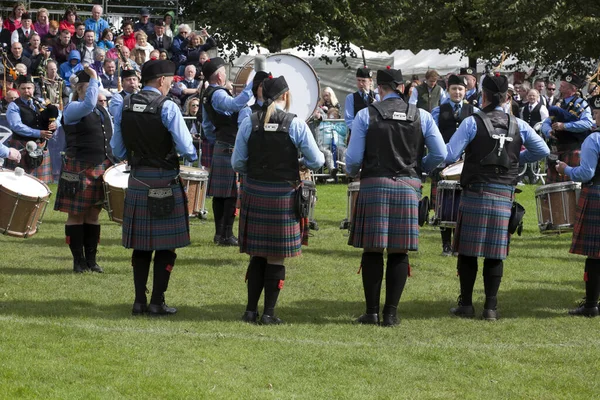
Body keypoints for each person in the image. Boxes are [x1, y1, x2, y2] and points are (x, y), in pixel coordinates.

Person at [345, 67, 447, 327]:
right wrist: (420, 166)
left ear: (380, 88)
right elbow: (441, 153)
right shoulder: (421, 115)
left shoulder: (364, 115)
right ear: (401, 87)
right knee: (399, 251)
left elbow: (354, 159)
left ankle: (371, 312)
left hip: (374, 183)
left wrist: (351, 170)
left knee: (373, 249)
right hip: (407, 184)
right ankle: (390, 314)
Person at [445, 74, 550, 321]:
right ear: (506, 98)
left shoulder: (472, 122)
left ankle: (466, 304)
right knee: (496, 252)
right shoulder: (519, 124)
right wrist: (514, 161)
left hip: (476, 191)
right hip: (504, 194)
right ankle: (490, 308)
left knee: (468, 252)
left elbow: (450, 154)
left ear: (484, 95)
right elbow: (542, 150)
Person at [232, 75, 324, 324]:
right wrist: (299, 162)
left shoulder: (248, 122)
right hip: (284, 195)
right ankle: (269, 313)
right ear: (286, 96)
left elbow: (237, 162)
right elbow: (318, 161)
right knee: (276, 256)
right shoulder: (295, 124)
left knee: (257, 254)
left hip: (255, 192)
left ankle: (250, 311)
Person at [111, 59, 197, 316]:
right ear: (161, 80)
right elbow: (186, 148)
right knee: (166, 245)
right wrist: (190, 153)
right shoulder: (167, 107)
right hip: (165, 178)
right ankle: (157, 301)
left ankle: (139, 301)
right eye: (170, 79)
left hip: (138, 179)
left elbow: (117, 149)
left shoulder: (124, 106)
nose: (171, 83)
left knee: (141, 245)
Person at [54, 67, 114, 273]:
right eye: (93, 87)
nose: (97, 91)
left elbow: (110, 138)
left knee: (94, 215)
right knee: (76, 215)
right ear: (81, 88)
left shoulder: (101, 110)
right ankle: (77, 261)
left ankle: (91, 261)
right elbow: (88, 103)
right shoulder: (73, 108)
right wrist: (95, 76)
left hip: (99, 167)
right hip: (78, 168)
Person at [201, 57, 253, 245]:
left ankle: (219, 234)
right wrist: (252, 85)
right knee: (230, 194)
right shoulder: (218, 93)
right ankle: (226, 235)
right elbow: (233, 105)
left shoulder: (207, 93)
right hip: (228, 146)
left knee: (221, 194)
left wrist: (218, 139)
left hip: (221, 145)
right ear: (220, 75)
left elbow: (207, 126)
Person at [556, 95, 600, 317]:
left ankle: (591, 305)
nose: (593, 117)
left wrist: (566, 169)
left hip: (596, 193)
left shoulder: (593, 139)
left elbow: (586, 173)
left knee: (595, 255)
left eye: (595, 113)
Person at [430, 74, 479, 256]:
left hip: (466, 164)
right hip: (444, 163)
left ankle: (459, 244)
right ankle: (446, 245)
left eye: (460, 89)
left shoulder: (474, 111)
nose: (457, 92)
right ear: (448, 90)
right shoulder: (438, 111)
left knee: (463, 203)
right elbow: (432, 137)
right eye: (454, 89)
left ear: (466, 91)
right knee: (445, 204)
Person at [541, 72, 594, 183]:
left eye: (563, 86)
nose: (560, 88)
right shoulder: (558, 102)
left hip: (573, 149)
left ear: (573, 89)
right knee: (552, 187)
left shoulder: (582, 104)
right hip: (557, 149)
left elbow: (587, 123)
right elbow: (546, 122)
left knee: (570, 186)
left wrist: (564, 126)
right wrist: (548, 131)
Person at [4, 74, 56, 183]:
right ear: (18, 89)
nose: (26, 91)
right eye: (23, 88)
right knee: (18, 182)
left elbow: (57, 113)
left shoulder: (41, 102)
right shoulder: (14, 106)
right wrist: (38, 133)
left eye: (29, 88)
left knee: (41, 184)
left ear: (33, 88)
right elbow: (16, 126)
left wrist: (55, 122)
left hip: (41, 146)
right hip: (22, 145)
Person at [344, 65, 378, 138]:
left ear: (370, 81)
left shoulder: (377, 97)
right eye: (358, 80)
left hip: (374, 135)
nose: (361, 84)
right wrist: (360, 131)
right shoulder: (350, 98)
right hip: (357, 135)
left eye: (363, 81)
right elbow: (349, 119)